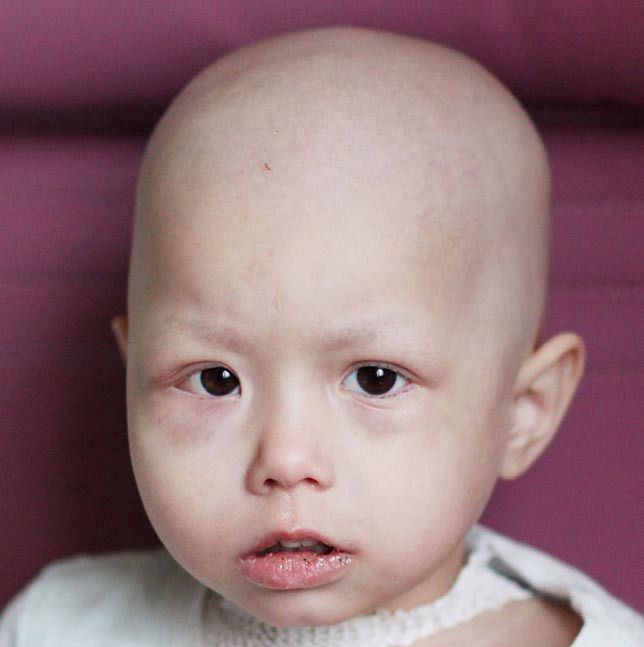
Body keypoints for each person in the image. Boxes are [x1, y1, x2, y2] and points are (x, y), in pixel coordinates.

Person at [1, 26, 642, 647]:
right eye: (215, 380)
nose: (284, 460)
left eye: (375, 379)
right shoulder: (58, 626)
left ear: (521, 412)